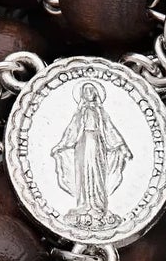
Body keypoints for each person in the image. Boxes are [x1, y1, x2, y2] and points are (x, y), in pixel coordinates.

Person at [50, 82, 132, 230]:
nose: (89, 93)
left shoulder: (100, 112)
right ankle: (85, 204)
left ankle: (98, 205)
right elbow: (71, 130)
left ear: (95, 93)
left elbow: (110, 130)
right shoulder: (80, 113)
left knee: (97, 173)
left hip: (97, 144)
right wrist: (61, 145)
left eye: (91, 90)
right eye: (86, 91)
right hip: (83, 144)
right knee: (84, 173)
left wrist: (122, 146)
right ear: (82, 94)